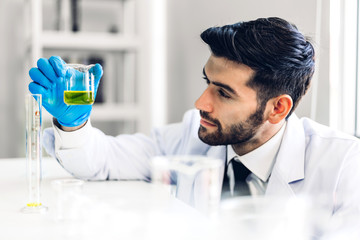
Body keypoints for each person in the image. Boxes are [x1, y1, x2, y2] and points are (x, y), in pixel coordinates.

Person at [29, 17, 360, 233]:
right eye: (207, 82)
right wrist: (73, 122)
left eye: (224, 93)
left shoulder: (344, 167)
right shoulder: (194, 133)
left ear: (277, 108)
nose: (201, 103)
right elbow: (102, 161)